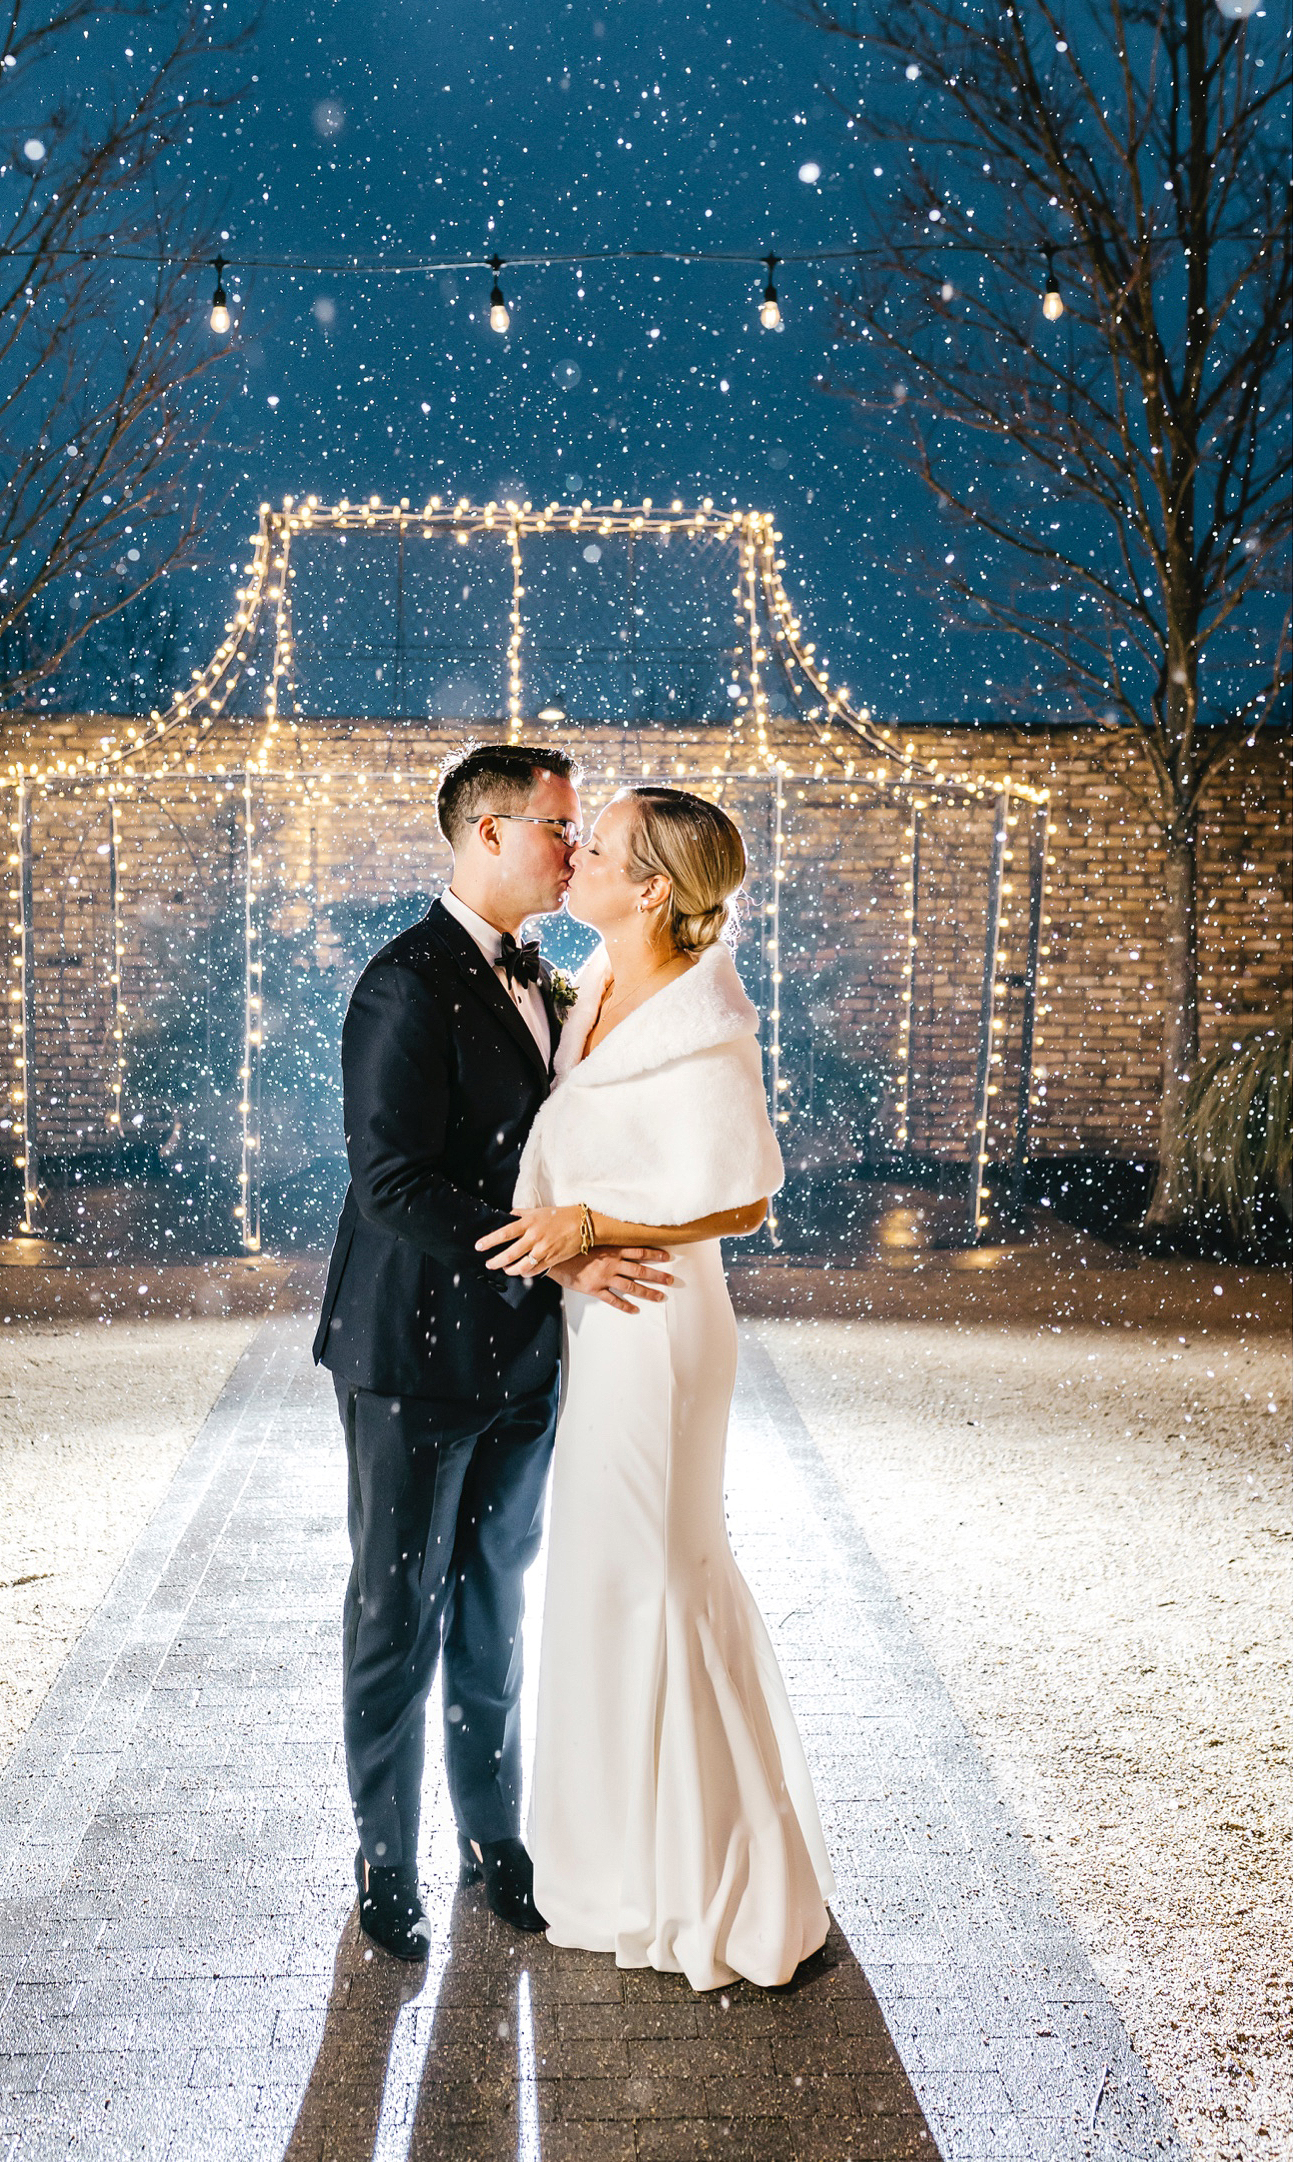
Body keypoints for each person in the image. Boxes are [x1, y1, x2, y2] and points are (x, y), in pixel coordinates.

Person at [312, 744, 672, 1962]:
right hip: (410, 1358)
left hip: (521, 1362)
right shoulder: (404, 984)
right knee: (396, 1611)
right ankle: (383, 1857)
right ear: (486, 837)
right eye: (559, 828)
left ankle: (493, 1840)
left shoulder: (557, 979)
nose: (576, 850)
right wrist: (556, 1258)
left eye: (578, 830)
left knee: (492, 1608)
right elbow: (391, 1182)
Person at [480, 785, 834, 1990]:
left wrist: (589, 1219)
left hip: (663, 1328)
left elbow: (741, 1194)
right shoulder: (588, 996)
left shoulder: (703, 1013)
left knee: (652, 1577)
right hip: (603, 1321)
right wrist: (576, 1238)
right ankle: (621, 1861)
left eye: (602, 844)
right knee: (610, 1579)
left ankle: (699, 1882)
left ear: (650, 891)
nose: (574, 853)